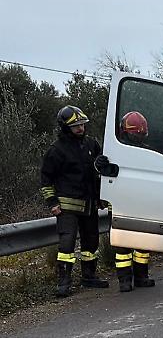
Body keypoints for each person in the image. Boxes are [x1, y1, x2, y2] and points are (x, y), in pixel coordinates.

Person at [40, 105, 110, 297]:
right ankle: (64, 282)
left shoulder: (91, 145)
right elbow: (46, 179)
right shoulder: (56, 150)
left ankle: (89, 276)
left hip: (89, 204)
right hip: (67, 207)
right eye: (76, 126)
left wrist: (101, 193)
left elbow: (98, 174)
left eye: (82, 124)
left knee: (91, 242)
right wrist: (52, 202)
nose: (80, 128)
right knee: (67, 245)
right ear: (65, 127)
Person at [107, 111, 157, 292]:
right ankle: (126, 280)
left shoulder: (141, 151)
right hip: (125, 203)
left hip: (137, 203)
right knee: (124, 246)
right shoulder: (116, 152)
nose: (138, 138)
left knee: (142, 244)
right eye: (136, 134)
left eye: (140, 135)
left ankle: (138, 278)